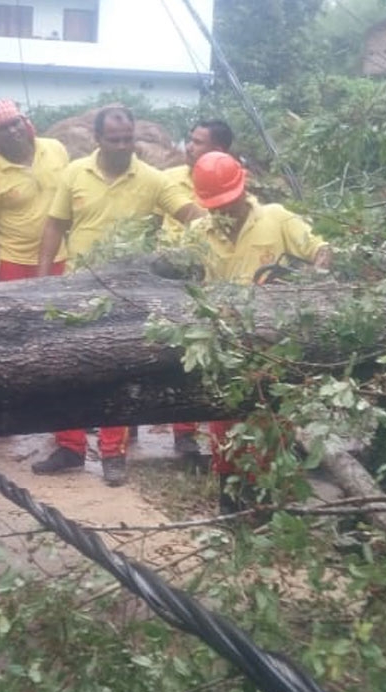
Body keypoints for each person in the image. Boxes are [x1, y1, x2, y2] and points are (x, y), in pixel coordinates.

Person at [34, 105, 205, 486]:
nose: (124, 146)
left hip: (129, 294)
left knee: (118, 374)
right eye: (115, 140)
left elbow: (193, 215)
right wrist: (43, 280)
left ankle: (113, 453)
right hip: (77, 288)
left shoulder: (153, 179)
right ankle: (70, 447)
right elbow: (55, 225)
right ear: (98, 140)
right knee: (69, 372)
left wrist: (215, 233)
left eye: (128, 138)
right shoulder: (75, 173)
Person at [182, 152, 331, 511]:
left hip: (272, 347)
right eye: (217, 206)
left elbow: (322, 251)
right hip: (225, 344)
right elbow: (186, 284)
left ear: (242, 187)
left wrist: (308, 283)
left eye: (229, 203)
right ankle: (230, 503)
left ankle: (267, 504)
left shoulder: (277, 218)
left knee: (271, 425)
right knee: (226, 427)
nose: (225, 211)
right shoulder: (198, 233)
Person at [164, 121, 234, 459]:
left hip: (213, 284)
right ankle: (182, 431)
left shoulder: (234, 188)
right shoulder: (171, 179)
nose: (190, 147)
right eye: (189, 140)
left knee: (206, 359)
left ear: (220, 150)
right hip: (171, 280)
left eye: (198, 142)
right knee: (180, 358)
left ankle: (200, 433)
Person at [0, 100, 72, 281]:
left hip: (58, 258)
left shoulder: (55, 149)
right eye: (3, 128)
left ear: (24, 122)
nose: (12, 131)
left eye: (15, 123)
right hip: (14, 263)